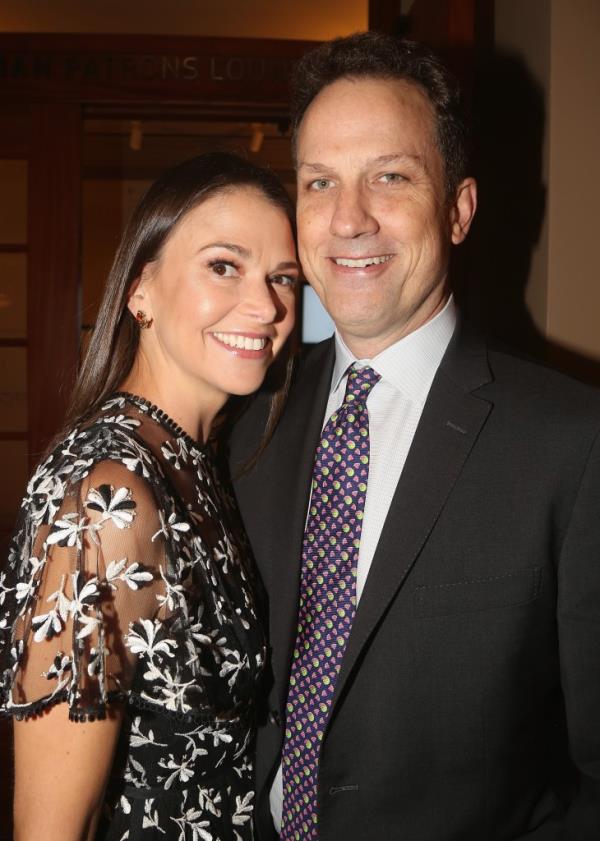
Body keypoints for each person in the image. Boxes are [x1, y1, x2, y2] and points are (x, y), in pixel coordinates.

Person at [229, 33, 600, 841]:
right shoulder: (243, 421)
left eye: (390, 177)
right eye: (319, 182)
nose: (349, 218)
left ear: (459, 209)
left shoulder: (575, 447)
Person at [0, 151, 299, 840]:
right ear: (141, 290)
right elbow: (51, 827)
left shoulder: (195, 459)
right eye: (224, 265)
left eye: (282, 276)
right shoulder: (107, 496)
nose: (267, 306)